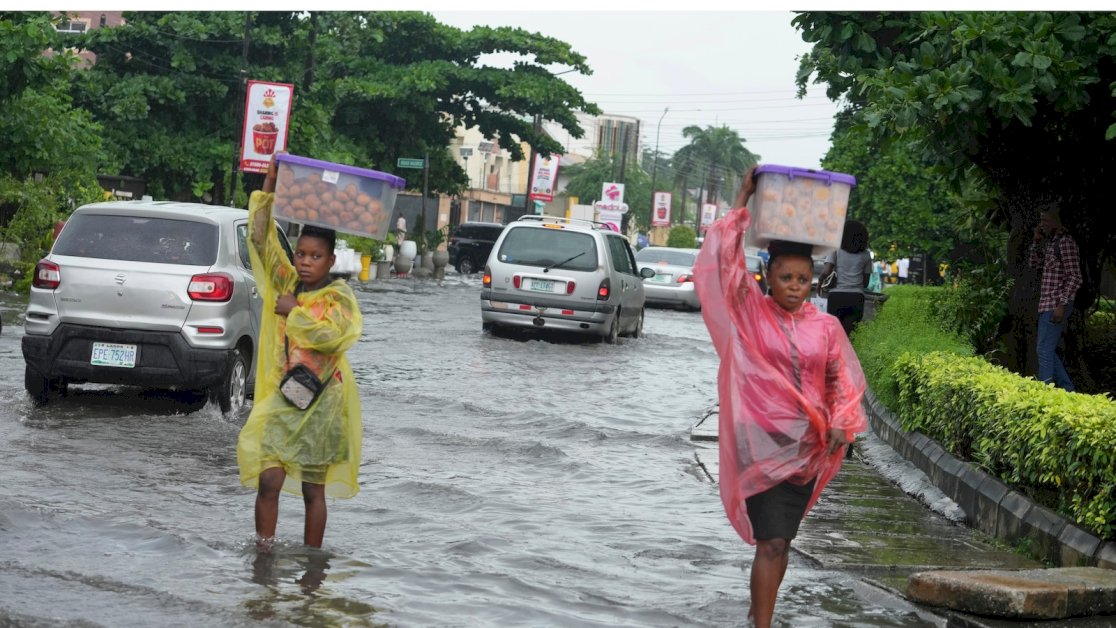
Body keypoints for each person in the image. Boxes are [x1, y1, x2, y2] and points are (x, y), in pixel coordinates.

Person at [693, 165, 868, 628]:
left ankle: (758, 611)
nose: (794, 287)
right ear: (768, 277)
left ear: (815, 280)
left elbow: (842, 380)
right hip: (760, 441)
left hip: (808, 447)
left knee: (783, 541)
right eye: (786, 278)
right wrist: (743, 198)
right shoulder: (750, 313)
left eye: (803, 280)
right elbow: (723, 263)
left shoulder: (826, 327)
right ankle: (763, 625)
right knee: (771, 541)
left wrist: (841, 418)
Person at [237, 154, 364, 549]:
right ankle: (263, 550)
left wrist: (295, 313)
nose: (306, 262)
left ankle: (312, 563)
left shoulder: (338, 296)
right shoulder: (286, 281)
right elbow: (260, 238)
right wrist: (269, 184)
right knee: (269, 477)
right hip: (284, 396)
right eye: (301, 254)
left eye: (315, 256)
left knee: (314, 490)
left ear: (330, 260)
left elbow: (334, 338)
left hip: (324, 404)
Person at [1028, 204, 1082, 391]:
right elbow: (1034, 263)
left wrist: (1062, 304)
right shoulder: (1051, 243)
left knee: (1043, 350)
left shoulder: (1065, 243)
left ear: (1057, 221)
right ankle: (1069, 391)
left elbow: (1075, 277)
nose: (1042, 224)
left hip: (1056, 304)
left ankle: (1045, 394)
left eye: (1045, 219)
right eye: (1040, 220)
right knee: (1046, 351)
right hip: (1047, 304)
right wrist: (1036, 241)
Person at [820, 220, 873, 337]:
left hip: (836, 298)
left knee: (834, 334)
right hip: (856, 298)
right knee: (850, 335)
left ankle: (835, 355)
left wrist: (819, 283)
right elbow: (866, 283)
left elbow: (826, 272)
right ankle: (848, 355)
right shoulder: (866, 255)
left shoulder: (835, 250)